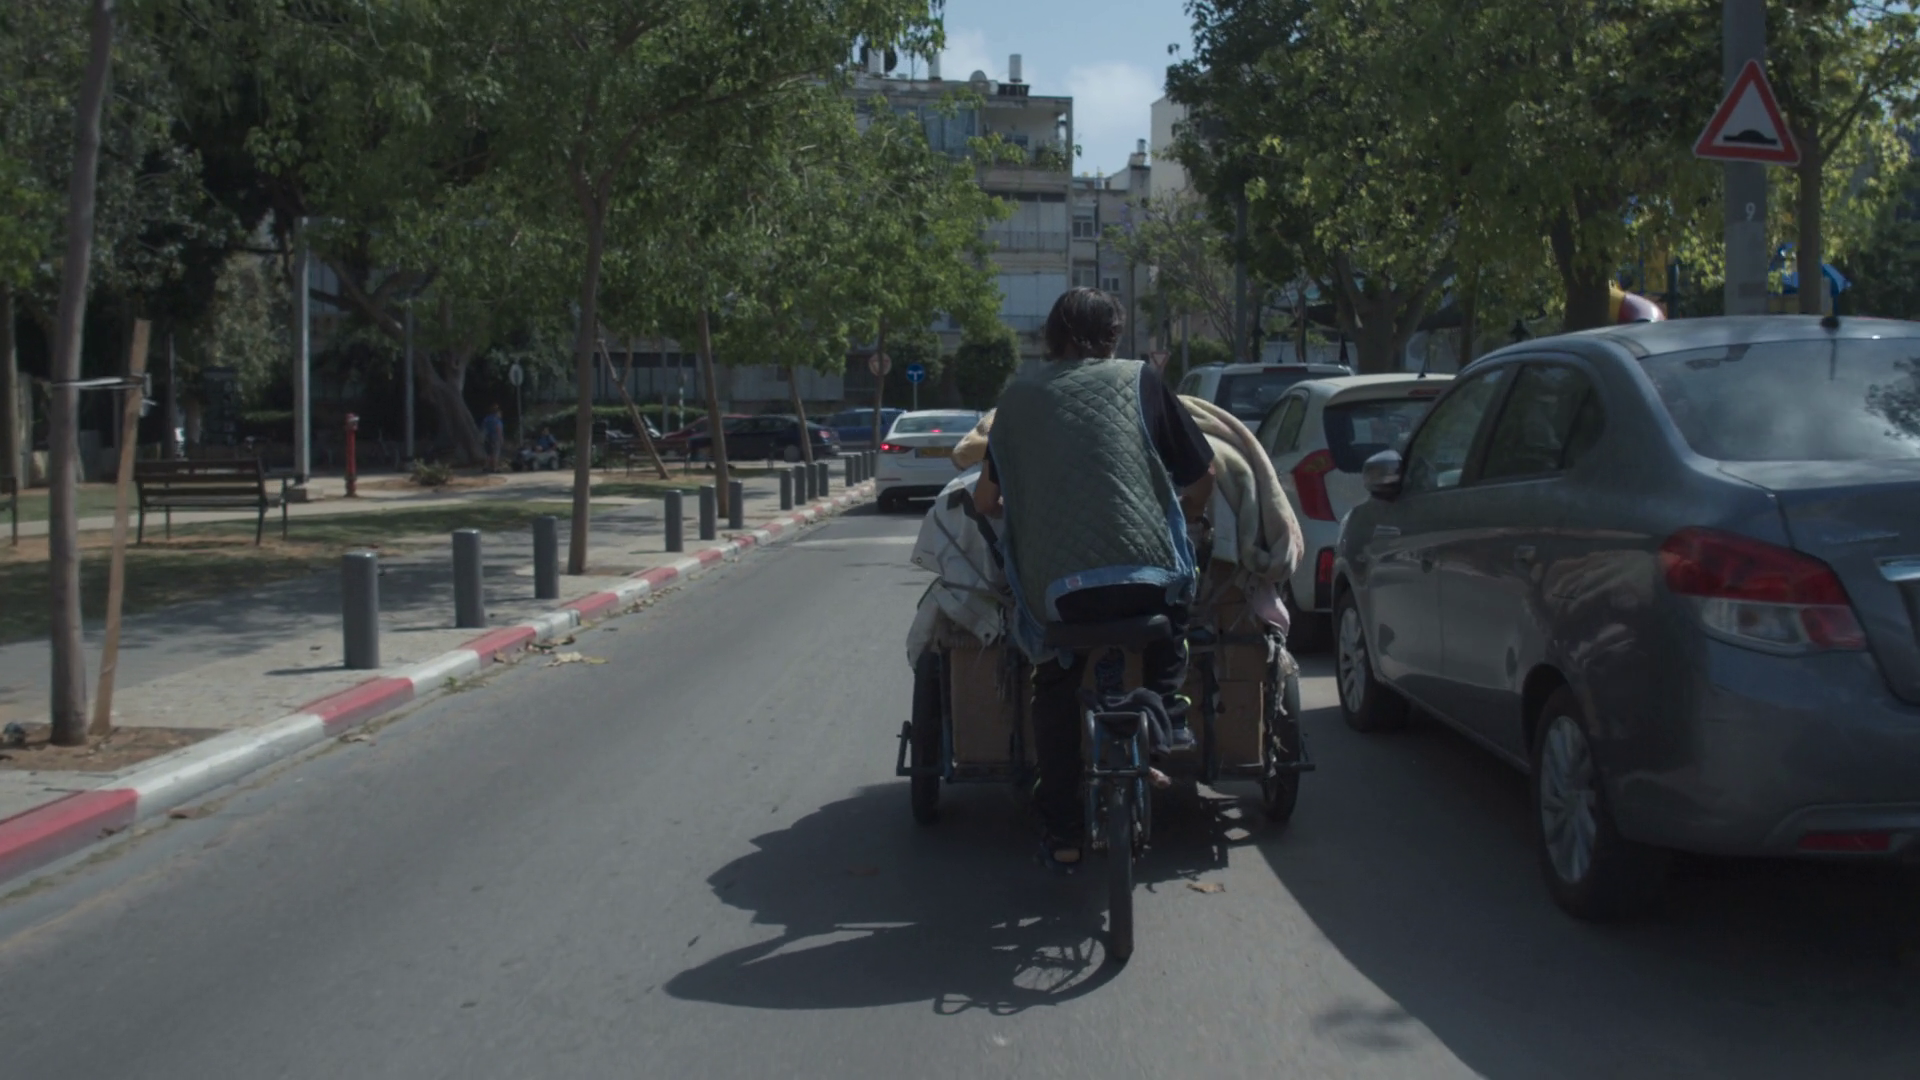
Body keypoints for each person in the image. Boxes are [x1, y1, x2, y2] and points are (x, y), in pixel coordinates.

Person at [973, 288, 1215, 868]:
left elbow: (984, 500)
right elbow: (1203, 474)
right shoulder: (1142, 381)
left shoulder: (1017, 400)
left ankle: (1063, 835)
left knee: (1054, 687)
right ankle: (1169, 712)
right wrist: (1190, 514)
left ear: (1050, 337)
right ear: (1114, 336)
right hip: (1146, 582)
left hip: (1059, 596)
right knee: (1175, 608)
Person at [479, 404, 505, 472]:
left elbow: (483, 428)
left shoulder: (486, 419)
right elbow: (498, 430)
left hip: (487, 438)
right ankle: (495, 468)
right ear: (497, 413)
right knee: (495, 453)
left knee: (488, 453)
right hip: (495, 438)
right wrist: (501, 438)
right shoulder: (497, 420)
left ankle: (486, 466)